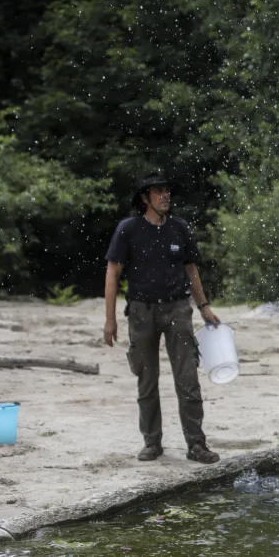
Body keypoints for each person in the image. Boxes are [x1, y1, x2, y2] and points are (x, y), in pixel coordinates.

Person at [103, 173, 221, 464]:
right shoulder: (128, 229)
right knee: (147, 379)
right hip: (141, 311)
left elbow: (191, 269)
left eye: (168, 190)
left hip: (178, 309)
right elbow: (113, 272)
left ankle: (196, 444)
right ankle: (152, 442)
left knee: (188, 379)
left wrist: (203, 305)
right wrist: (110, 320)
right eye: (158, 191)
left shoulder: (179, 228)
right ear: (145, 198)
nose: (165, 195)